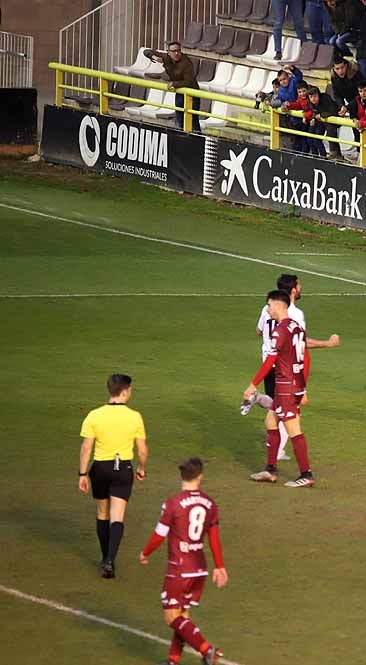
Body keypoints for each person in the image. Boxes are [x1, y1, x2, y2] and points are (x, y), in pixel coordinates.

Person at [242, 274, 340, 461]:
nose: (301, 287)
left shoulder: (266, 309)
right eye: (299, 285)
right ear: (293, 290)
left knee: (276, 408)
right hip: (286, 369)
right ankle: (285, 458)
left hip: (268, 365)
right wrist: (327, 344)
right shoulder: (294, 314)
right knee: (289, 411)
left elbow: (259, 331)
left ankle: (258, 400)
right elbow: (300, 344)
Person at [140, 457, 227, 665]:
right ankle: (172, 662)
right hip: (200, 568)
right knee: (183, 617)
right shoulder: (210, 503)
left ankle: (207, 650)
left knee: (172, 618)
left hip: (179, 569)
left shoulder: (173, 504)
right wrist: (220, 566)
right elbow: (214, 537)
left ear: (181, 476)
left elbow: (159, 535)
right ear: (200, 476)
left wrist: (145, 553)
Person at [78, 373, 148, 579]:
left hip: (100, 469)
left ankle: (104, 557)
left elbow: (86, 447)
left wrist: (82, 473)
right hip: (123, 469)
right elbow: (142, 449)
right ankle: (110, 560)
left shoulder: (94, 415)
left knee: (102, 513)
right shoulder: (134, 416)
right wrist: (142, 467)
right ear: (125, 391)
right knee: (117, 516)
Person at [243, 290, 316, 487]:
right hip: (294, 385)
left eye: (269, 305)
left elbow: (271, 360)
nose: (267, 309)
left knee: (294, 430)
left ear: (277, 305)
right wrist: (303, 387)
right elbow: (306, 358)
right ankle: (271, 469)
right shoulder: (297, 327)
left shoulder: (281, 330)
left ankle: (306, 474)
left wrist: (253, 384)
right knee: (270, 421)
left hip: (285, 386)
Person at [144, 42, 201, 132]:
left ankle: (197, 139)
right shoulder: (166, 57)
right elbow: (146, 51)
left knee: (193, 121)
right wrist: (154, 57)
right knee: (179, 119)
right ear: (169, 52)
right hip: (180, 92)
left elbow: (188, 81)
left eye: (178, 51)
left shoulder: (186, 63)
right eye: (173, 51)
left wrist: (174, 84)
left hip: (191, 93)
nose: (176, 53)